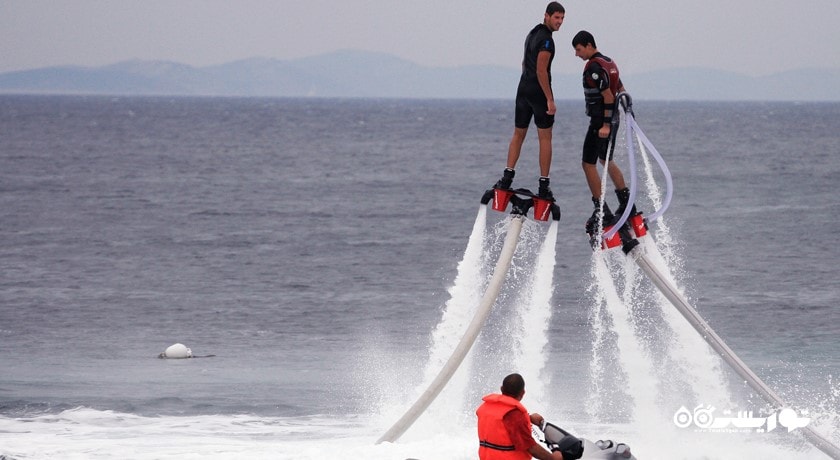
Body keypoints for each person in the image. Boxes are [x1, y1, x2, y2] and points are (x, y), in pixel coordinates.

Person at [493, 2, 565, 201]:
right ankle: (543, 186)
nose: (560, 22)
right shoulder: (547, 41)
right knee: (545, 137)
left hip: (523, 88)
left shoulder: (531, 34)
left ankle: (506, 179)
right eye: (557, 17)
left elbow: (525, 63)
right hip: (538, 91)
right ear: (547, 16)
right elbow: (541, 70)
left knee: (518, 134)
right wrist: (549, 99)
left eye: (562, 19)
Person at [571, 30, 637, 231]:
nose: (577, 54)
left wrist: (606, 125)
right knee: (605, 160)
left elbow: (608, 97)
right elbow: (621, 88)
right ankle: (627, 204)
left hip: (601, 121)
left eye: (578, 49)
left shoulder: (594, 67)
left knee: (587, 164)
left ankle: (602, 209)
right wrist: (624, 108)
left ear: (589, 45)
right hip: (613, 118)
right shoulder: (610, 63)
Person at [476, 373, 564, 460]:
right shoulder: (515, 416)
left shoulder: (485, 407)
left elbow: (501, 423)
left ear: (501, 388)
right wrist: (553, 458)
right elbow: (531, 448)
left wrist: (528, 418)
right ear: (523, 393)